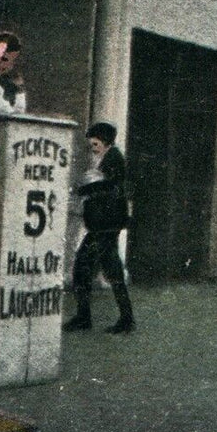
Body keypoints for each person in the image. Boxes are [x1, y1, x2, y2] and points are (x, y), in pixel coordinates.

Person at [64, 123, 136, 335]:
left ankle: (86, 317)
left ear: (105, 142)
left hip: (104, 227)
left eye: (95, 143)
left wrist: (85, 189)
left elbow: (111, 187)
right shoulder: (109, 158)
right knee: (110, 272)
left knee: (82, 269)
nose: (93, 147)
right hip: (105, 226)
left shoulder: (113, 159)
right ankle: (124, 319)